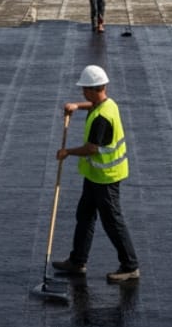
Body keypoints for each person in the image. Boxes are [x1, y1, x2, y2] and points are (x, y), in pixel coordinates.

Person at [53, 64, 139, 284]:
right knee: (84, 215)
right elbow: (93, 106)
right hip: (95, 176)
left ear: (93, 89)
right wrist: (76, 106)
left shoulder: (102, 118)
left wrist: (67, 152)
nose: (83, 93)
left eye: (84, 90)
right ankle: (78, 260)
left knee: (112, 222)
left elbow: (91, 148)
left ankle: (130, 266)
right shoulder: (108, 104)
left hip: (106, 177)